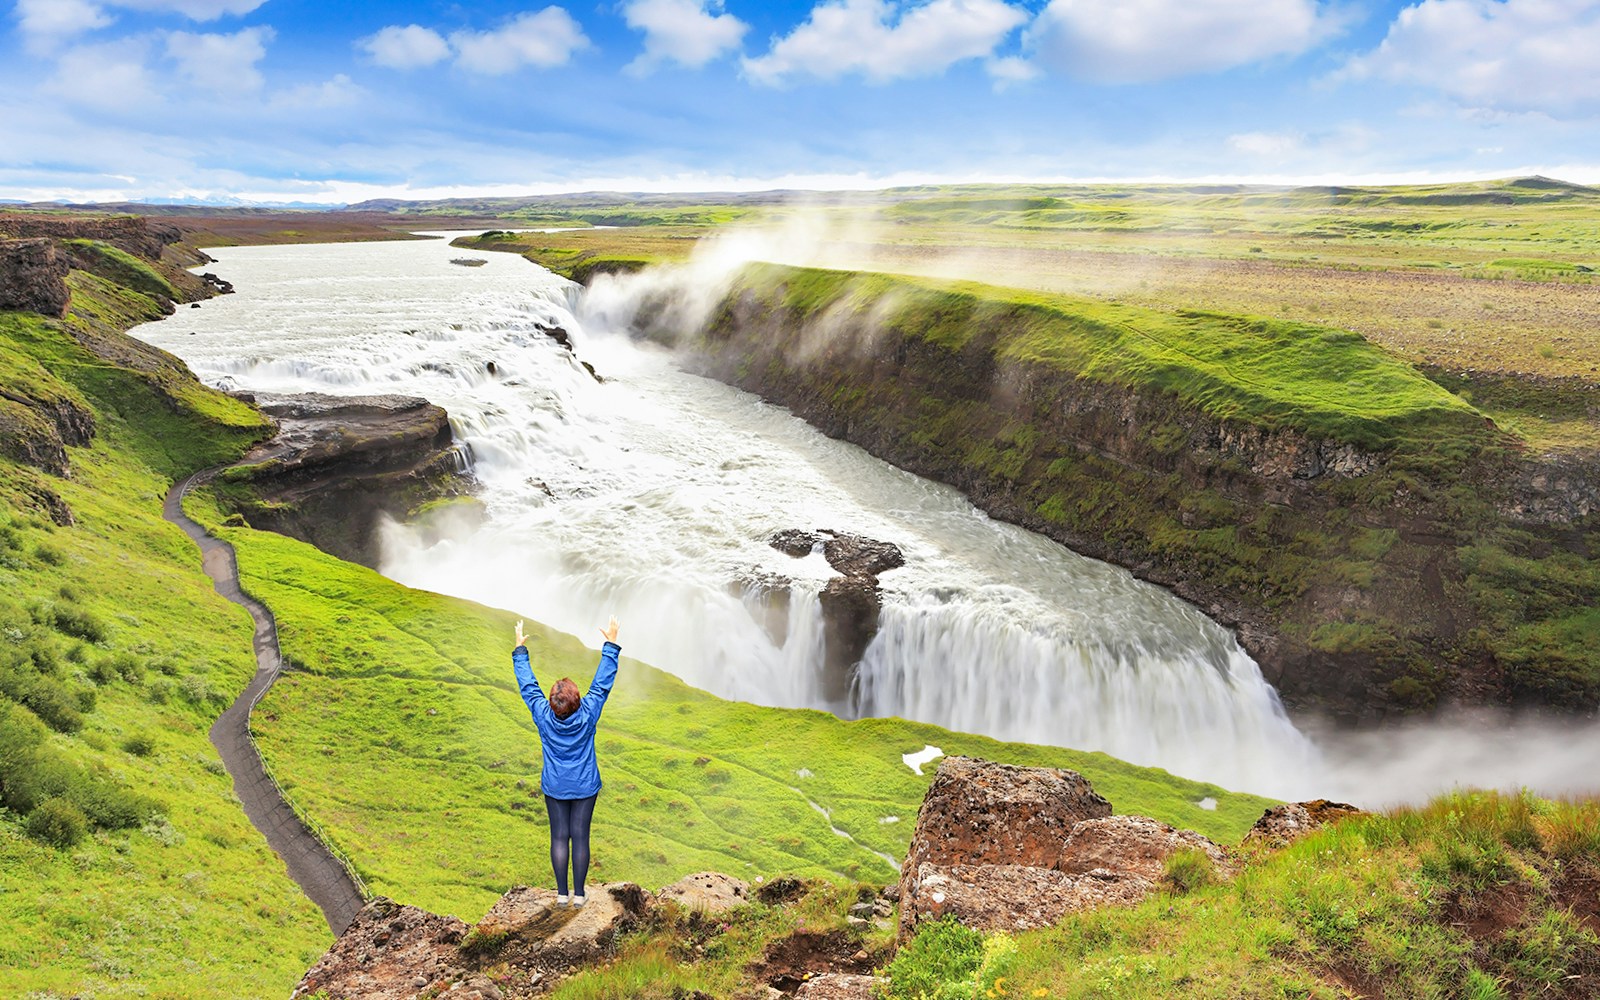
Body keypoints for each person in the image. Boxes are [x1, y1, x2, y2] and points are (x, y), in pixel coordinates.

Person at [512, 615, 621, 908]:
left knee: (559, 837)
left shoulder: (542, 714)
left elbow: (528, 687)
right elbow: (601, 685)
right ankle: (580, 895)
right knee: (580, 837)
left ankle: (561, 895)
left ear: (553, 703)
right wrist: (610, 644)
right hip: (585, 785)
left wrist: (520, 651)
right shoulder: (588, 712)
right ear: (577, 700)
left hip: (555, 785)